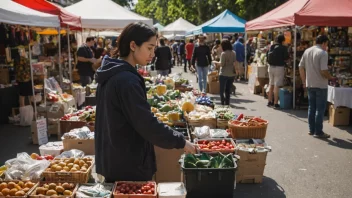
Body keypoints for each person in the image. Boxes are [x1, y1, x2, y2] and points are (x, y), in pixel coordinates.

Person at [95, 22, 196, 182]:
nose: (153, 54)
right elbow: (146, 123)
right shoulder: (127, 80)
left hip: (113, 158)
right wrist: (180, 141)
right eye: (149, 48)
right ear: (133, 45)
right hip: (128, 164)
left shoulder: (112, 72)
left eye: (154, 48)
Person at [299, 35, 333, 139]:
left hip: (310, 84)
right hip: (321, 85)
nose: (326, 46)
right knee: (320, 109)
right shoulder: (323, 53)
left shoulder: (307, 51)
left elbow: (300, 66)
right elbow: (323, 70)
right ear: (323, 43)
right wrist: (330, 77)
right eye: (326, 44)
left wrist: (304, 81)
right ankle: (318, 132)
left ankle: (311, 129)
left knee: (311, 108)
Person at [266, 35, 289, 108]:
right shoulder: (283, 48)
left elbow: (267, 56)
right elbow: (286, 58)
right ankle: (276, 102)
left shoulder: (271, 47)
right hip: (279, 68)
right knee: (277, 85)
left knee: (271, 84)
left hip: (271, 67)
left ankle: (269, 101)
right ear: (282, 41)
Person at [212, 40, 236, 105]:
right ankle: (227, 102)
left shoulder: (223, 53)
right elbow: (234, 63)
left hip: (223, 73)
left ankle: (222, 101)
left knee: (221, 90)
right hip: (231, 73)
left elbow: (222, 64)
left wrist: (215, 62)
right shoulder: (233, 52)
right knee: (228, 89)